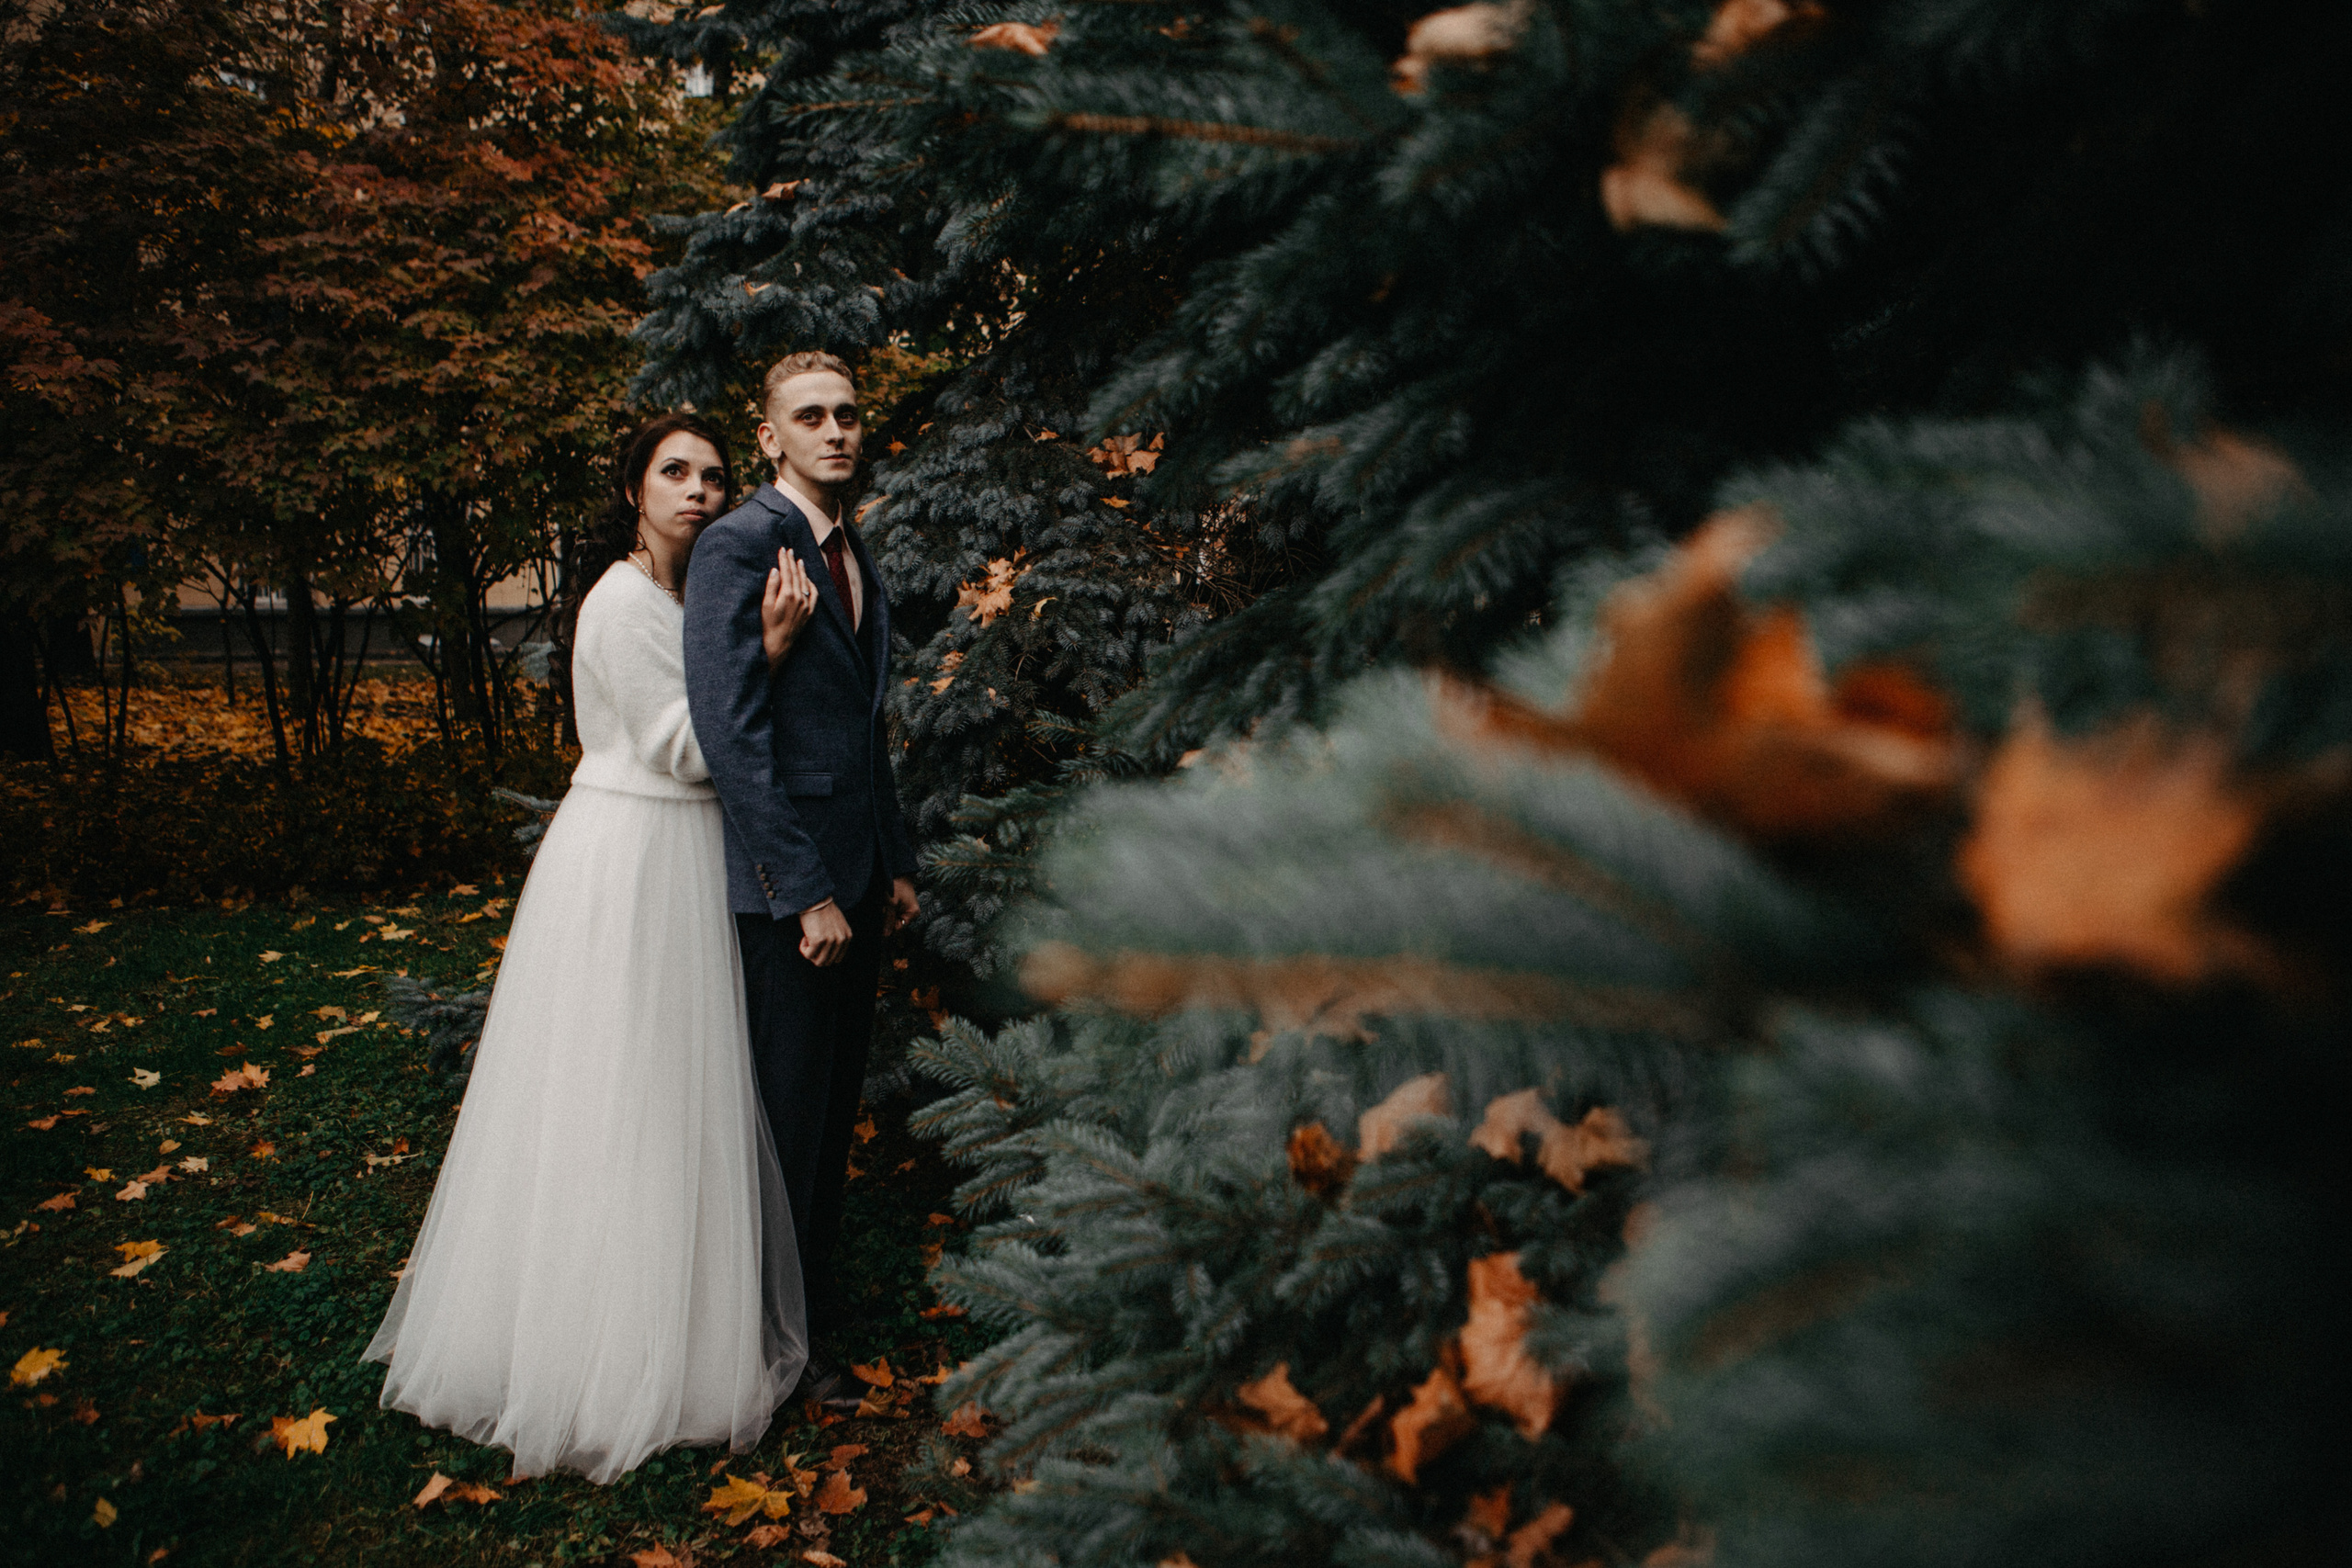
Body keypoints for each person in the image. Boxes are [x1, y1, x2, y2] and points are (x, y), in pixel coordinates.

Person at [364, 412, 826, 1482]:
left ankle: (680, 1328)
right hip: (635, 854)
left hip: (681, 851)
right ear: (634, 491)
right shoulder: (622, 602)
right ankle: (596, 1352)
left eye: (713, 475)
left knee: (676, 1090)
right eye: (674, 472)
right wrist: (767, 653)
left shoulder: (688, 598)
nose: (697, 491)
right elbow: (681, 748)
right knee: (622, 1084)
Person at [684, 352, 921, 1395]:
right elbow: (730, 735)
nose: (835, 431)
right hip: (791, 894)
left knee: (828, 1118)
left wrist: (894, 861)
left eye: (847, 415)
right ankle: (769, 1347)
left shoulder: (849, 544)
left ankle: (805, 1316)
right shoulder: (739, 543)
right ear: (770, 437)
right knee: (784, 1125)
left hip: (858, 879)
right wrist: (805, 889)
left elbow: (863, 728)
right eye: (811, 416)